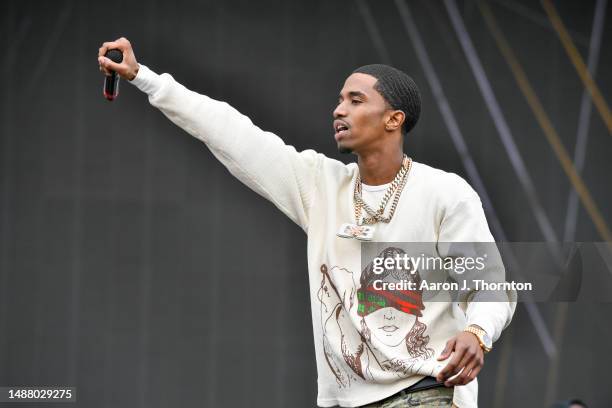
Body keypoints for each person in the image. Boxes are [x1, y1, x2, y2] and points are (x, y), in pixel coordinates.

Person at [97, 37, 516, 408]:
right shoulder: (320, 186)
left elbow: (492, 284)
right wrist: (144, 77)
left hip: (425, 391)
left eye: (356, 100)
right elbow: (230, 131)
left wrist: (477, 332)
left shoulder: (445, 192)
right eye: (339, 100)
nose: (339, 109)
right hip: (346, 399)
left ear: (394, 119)